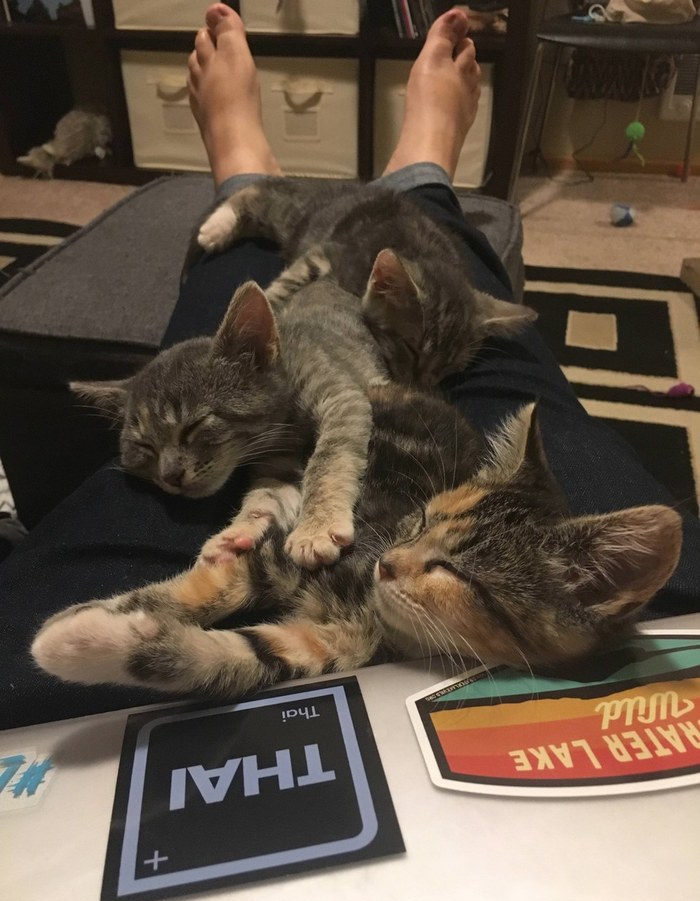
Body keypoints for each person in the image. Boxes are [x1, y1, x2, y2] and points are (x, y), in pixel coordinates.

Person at [1, 6, 698, 731]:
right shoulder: (405, 570)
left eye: (438, 564)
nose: (391, 560)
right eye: (422, 539)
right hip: (371, 393)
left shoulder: (515, 591)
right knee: (456, 324)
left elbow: (294, 613)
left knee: (245, 339)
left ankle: (299, 172)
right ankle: (407, 173)